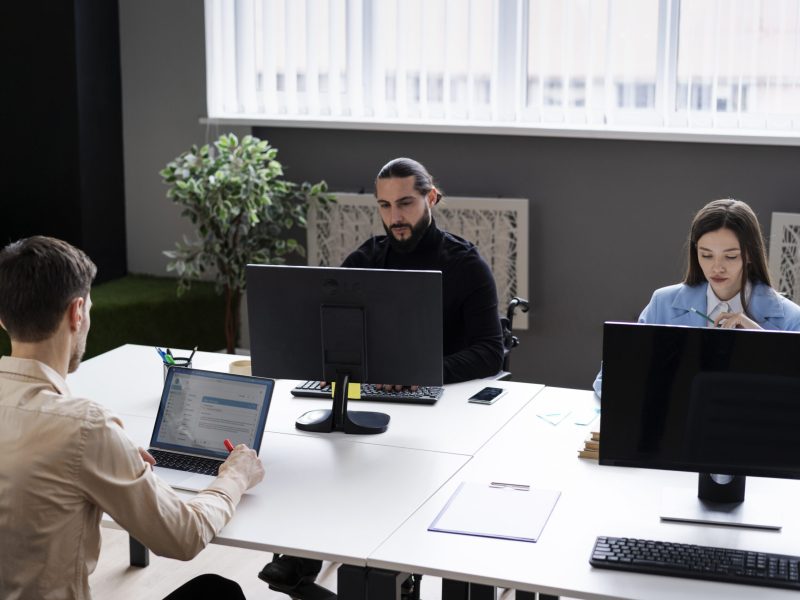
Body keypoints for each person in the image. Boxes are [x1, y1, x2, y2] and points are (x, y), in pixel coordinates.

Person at [259, 157, 505, 597]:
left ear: (431, 198)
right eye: (385, 206)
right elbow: (324, 323)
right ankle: (303, 554)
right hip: (372, 399)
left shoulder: (466, 264)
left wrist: (422, 374)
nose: (395, 217)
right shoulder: (368, 258)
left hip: (438, 411)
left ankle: (345, 564)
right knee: (323, 456)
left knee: (373, 470)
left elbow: (491, 350)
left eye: (406, 204)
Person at [0, 236, 265, 600]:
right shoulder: (84, 427)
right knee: (218, 591)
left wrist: (113, 459)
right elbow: (183, 536)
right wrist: (234, 477)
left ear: (3, 318)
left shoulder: (81, 432)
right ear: (77, 313)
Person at [593, 198, 800, 396]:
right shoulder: (663, 303)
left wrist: (762, 341)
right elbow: (608, 379)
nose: (716, 267)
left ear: (749, 255)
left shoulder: (791, 319)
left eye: (730, 256)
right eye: (706, 255)